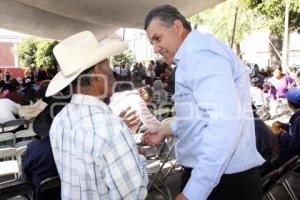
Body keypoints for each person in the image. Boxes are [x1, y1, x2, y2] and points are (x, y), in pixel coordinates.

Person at [142, 5, 265, 200]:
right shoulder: (194, 55)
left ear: (177, 27)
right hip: (220, 178)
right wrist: (167, 130)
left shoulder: (199, 57)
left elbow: (224, 124)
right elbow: (200, 118)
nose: (156, 48)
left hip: (224, 183)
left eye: (158, 38)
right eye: (152, 42)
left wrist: (193, 192)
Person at [45, 31, 148, 199]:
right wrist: (140, 157)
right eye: (108, 65)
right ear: (97, 73)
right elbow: (134, 194)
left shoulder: (60, 120)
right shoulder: (112, 128)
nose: (112, 74)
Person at [271, 88, 300, 166]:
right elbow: (296, 130)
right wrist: (284, 126)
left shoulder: (298, 119)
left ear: (289, 104)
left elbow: (296, 145)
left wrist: (280, 134)